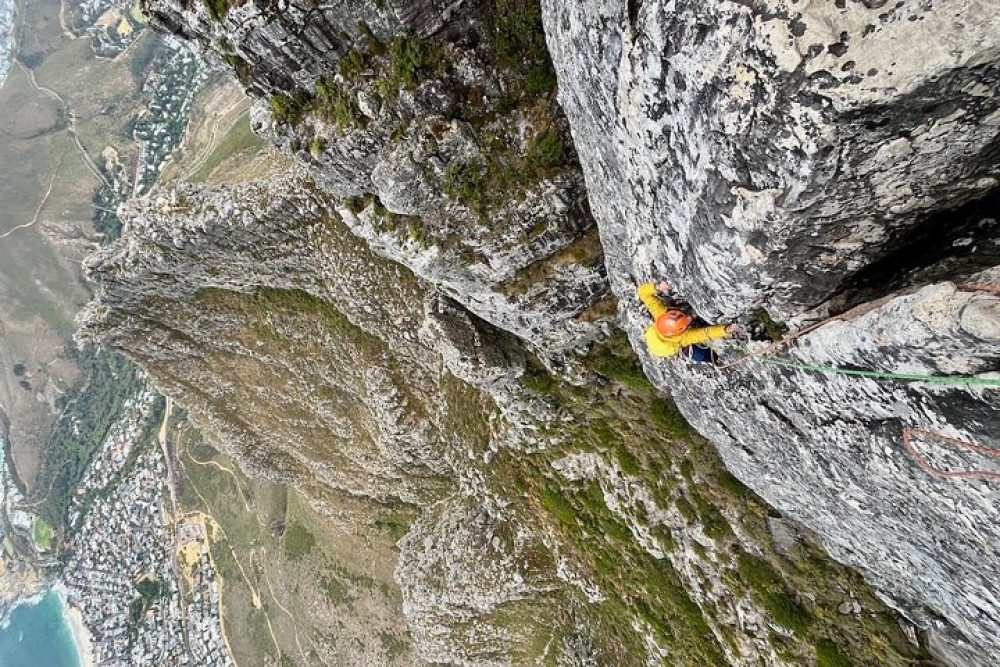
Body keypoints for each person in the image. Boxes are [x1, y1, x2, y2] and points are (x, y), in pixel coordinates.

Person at [636, 281, 738, 362]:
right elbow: (704, 333)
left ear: (668, 313)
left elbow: (642, 292)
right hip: (665, 348)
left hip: (654, 337)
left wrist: (658, 287)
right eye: (687, 322)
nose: (689, 317)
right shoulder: (682, 338)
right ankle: (713, 359)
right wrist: (726, 329)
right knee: (701, 356)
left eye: (684, 315)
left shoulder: (660, 314)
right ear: (681, 331)